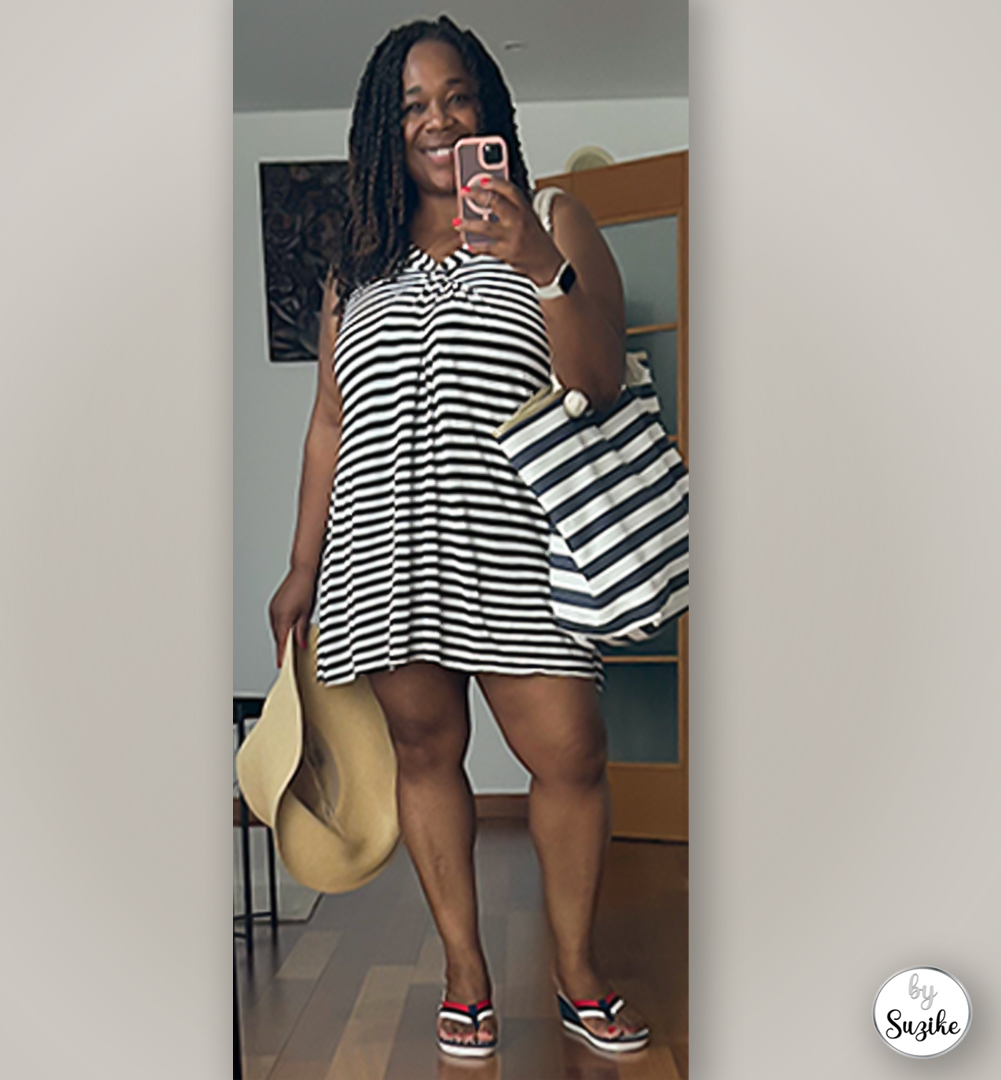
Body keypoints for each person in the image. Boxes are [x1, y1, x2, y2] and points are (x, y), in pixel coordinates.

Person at [268, 15, 649, 1057]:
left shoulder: (555, 218)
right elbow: (328, 424)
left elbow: (598, 379)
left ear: (487, 108)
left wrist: (540, 264)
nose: (436, 121)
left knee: (570, 751)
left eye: (454, 97)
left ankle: (576, 973)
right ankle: (466, 974)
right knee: (426, 752)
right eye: (411, 107)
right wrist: (301, 565)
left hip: (520, 546)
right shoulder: (358, 268)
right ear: (382, 131)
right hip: (383, 552)